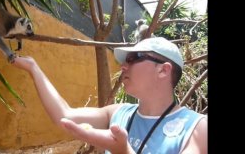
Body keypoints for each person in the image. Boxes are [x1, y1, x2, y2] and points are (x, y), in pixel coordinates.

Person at [12, 37, 207, 154]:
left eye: (134, 58)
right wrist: (33, 68)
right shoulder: (119, 113)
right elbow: (63, 114)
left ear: (163, 71)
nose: (124, 66)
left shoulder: (196, 128)